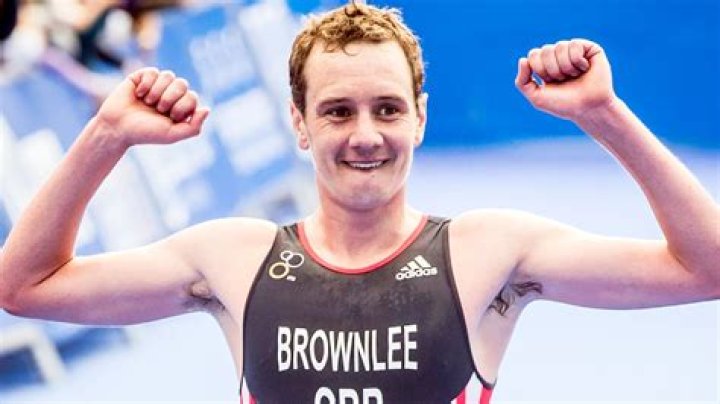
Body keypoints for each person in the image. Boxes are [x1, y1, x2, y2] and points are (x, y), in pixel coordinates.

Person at [1, 1, 718, 402]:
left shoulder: (488, 253)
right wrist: (106, 136)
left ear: (420, 118)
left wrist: (604, 115)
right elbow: (24, 287)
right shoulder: (233, 259)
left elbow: (705, 269)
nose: (366, 136)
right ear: (299, 124)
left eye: (388, 109)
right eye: (338, 111)